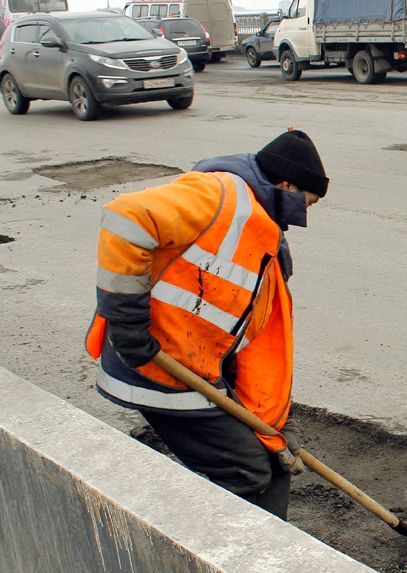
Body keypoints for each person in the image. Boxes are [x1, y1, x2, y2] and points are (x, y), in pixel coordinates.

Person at [85, 129, 330, 520]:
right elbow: (126, 217)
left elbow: (255, 348)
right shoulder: (219, 195)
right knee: (247, 471)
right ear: (287, 185)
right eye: (308, 203)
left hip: (196, 371)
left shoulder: (262, 237)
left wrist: (276, 426)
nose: (304, 215)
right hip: (155, 368)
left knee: (267, 464)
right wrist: (127, 323)